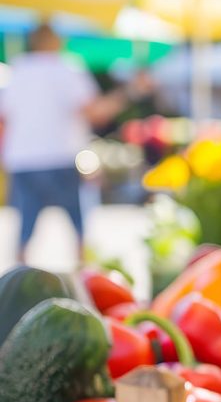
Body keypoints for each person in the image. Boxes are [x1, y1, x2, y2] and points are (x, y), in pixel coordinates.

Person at [0, 23, 132, 262]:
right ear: (55, 41)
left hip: (23, 159)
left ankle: (16, 283)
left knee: (24, 230)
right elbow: (95, 112)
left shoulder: (18, 69)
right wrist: (130, 92)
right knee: (79, 227)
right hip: (61, 156)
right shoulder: (67, 68)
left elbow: (5, 118)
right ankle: (84, 281)